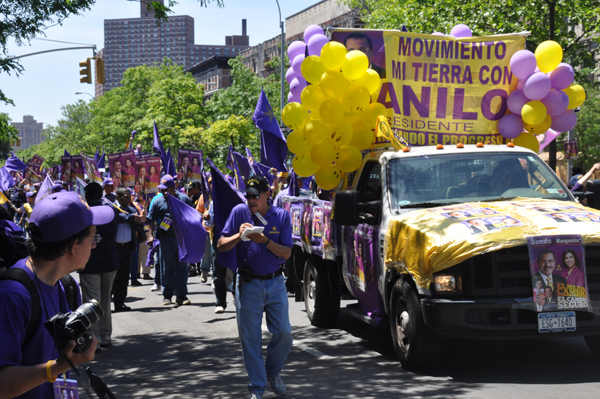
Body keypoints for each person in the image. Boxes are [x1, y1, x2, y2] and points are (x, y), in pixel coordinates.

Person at [0, 191, 115, 398]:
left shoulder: (68, 286)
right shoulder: (12, 296)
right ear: (73, 246)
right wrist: (57, 366)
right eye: (93, 237)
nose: (95, 244)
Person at [217, 175, 293, 399]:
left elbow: (287, 253)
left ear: (267, 195)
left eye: (255, 196)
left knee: (284, 333)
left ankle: (273, 372)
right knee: (250, 338)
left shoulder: (281, 216)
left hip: (276, 282)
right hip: (248, 283)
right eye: (247, 195)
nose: (250, 200)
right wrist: (238, 236)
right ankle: (257, 388)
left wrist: (266, 241)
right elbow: (221, 245)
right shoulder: (239, 212)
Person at [80, 182, 120, 352]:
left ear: (87, 194)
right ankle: (105, 337)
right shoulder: (112, 211)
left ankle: (93, 340)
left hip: (90, 262)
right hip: (109, 261)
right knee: (105, 301)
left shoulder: (84, 213)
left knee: (91, 303)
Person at [147, 175, 192, 306]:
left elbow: (192, 216)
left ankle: (181, 295)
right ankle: (167, 295)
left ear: (173, 188)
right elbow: (151, 218)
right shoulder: (157, 201)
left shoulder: (184, 199)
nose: (162, 192)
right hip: (165, 239)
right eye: (161, 189)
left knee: (182, 267)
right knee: (166, 267)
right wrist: (143, 219)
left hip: (181, 240)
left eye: (166, 189)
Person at [111, 188, 146, 312]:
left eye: (129, 197)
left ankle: (120, 303)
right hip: (114, 248)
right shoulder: (112, 208)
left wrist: (139, 219)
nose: (127, 199)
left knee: (124, 277)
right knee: (111, 277)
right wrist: (131, 218)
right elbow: (117, 218)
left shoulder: (131, 209)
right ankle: (105, 303)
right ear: (118, 197)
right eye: (125, 197)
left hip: (127, 247)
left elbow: (138, 225)